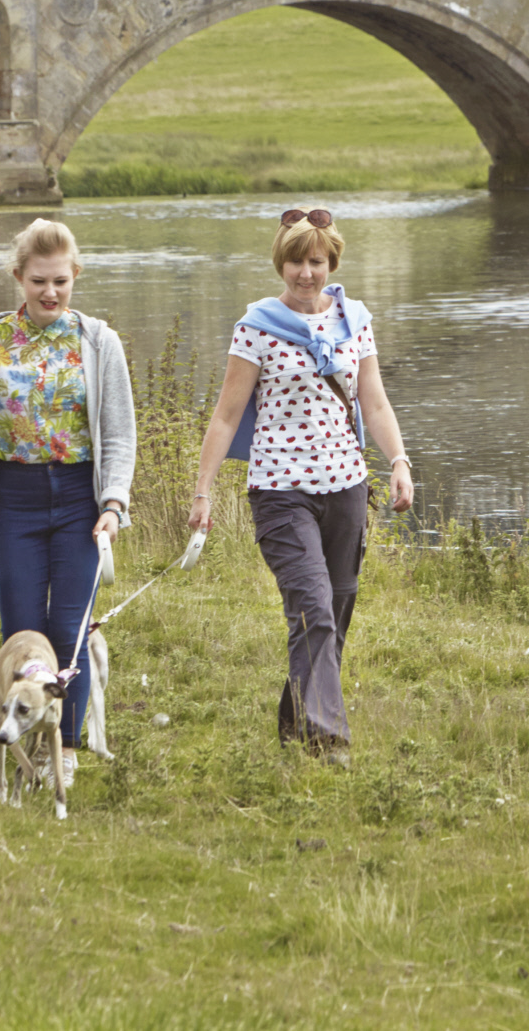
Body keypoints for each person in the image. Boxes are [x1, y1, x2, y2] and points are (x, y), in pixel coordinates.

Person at [187, 208, 413, 757]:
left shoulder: (355, 322)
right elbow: (225, 415)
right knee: (311, 606)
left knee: (335, 609)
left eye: (315, 261)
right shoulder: (257, 328)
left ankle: (295, 719)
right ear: (280, 264)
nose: (305, 273)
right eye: (295, 261)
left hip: (347, 488)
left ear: (331, 262)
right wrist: (203, 489)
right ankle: (326, 737)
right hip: (280, 490)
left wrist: (400, 460)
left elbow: (373, 400)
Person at [0, 218, 137, 785]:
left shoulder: (100, 343)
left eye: (60, 280)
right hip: (17, 499)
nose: (50, 292)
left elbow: (119, 432)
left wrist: (113, 502)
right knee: (23, 632)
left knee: (68, 632)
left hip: (81, 499)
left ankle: (69, 745)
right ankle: (22, 748)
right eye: (38, 281)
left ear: (75, 275)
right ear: (18, 278)